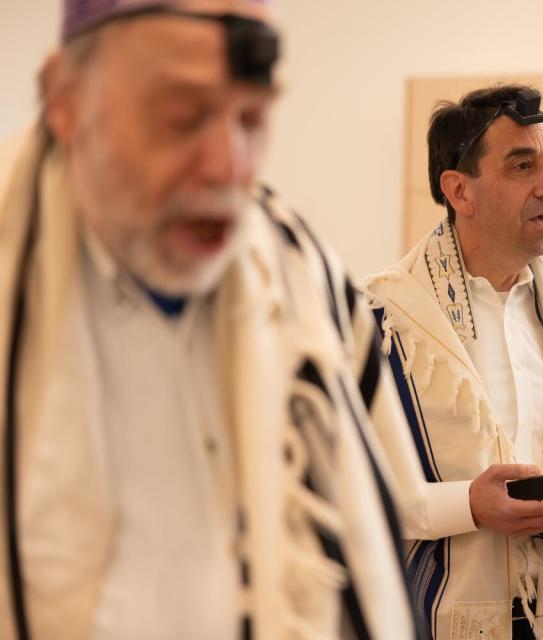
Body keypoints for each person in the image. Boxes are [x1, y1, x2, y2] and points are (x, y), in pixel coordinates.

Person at [0, 2, 424, 638]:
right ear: (65, 99)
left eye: (252, 119)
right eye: (182, 119)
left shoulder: (307, 281)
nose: (230, 167)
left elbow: (383, 542)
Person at [364, 85, 543, 640]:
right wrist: (466, 505)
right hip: (430, 617)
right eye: (523, 165)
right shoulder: (377, 321)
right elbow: (339, 490)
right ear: (459, 191)